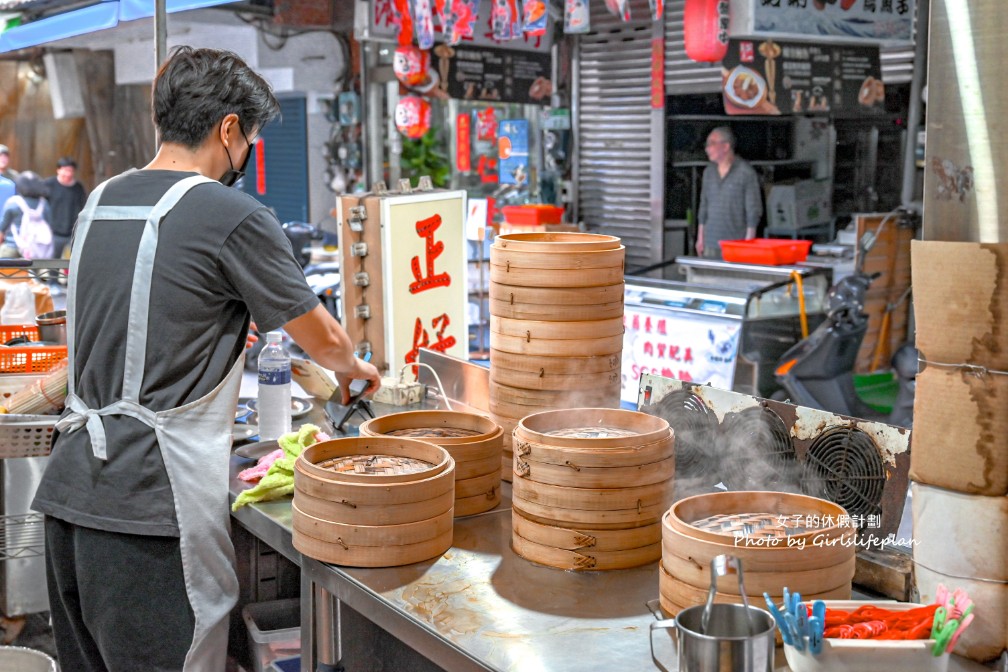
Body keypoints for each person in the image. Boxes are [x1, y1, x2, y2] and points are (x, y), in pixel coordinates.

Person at [31, 46, 381, 671]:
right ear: (228, 130)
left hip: (70, 498)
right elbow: (323, 341)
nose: (245, 155)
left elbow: (140, 315)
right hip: (147, 514)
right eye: (249, 139)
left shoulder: (102, 199)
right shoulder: (229, 211)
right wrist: (356, 371)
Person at [695, 127, 763, 259]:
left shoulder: (746, 172)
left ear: (726, 146)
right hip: (710, 243)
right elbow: (703, 207)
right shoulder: (708, 172)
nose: (707, 148)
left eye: (712, 144)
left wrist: (748, 243)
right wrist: (700, 238)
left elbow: (753, 211)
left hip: (736, 244)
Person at [0, 171, 52, 258]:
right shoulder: (44, 203)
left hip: (13, 247)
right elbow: (49, 225)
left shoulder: (13, 202)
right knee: (42, 269)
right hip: (36, 249)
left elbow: (2, 228)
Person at [45, 157, 88, 258]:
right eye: (65, 170)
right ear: (58, 170)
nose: (68, 174)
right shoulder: (48, 185)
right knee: (52, 265)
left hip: (72, 234)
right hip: (53, 233)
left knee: (71, 263)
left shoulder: (78, 188)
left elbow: (84, 208)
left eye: (71, 171)